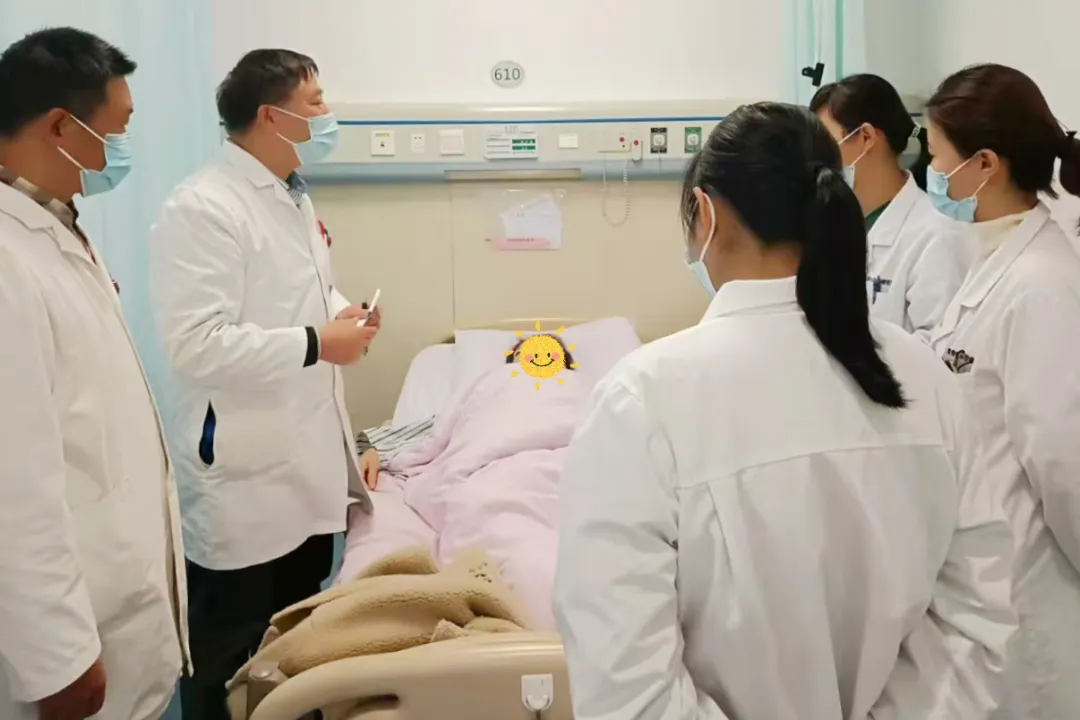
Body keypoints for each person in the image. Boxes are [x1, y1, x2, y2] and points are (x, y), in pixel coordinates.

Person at [553, 102, 1017, 720]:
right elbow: (973, 624)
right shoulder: (925, 379)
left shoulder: (641, 403)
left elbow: (628, 690)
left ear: (706, 215)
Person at [148, 49, 379, 720]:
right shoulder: (203, 207)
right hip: (243, 485)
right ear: (271, 117)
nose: (328, 112)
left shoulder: (290, 193)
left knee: (290, 648)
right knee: (228, 658)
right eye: (315, 101)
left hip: (300, 467)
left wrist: (342, 313)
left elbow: (298, 290)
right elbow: (196, 345)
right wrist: (318, 343)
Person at [0, 28, 187, 720]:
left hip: (118, 609)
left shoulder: (52, 229)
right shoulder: (8, 262)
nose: (122, 145)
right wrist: (59, 661)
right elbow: (13, 486)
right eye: (119, 126)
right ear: (59, 126)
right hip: (71, 656)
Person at [923, 63, 1080, 719]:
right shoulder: (995, 260)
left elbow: (1065, 468)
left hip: (1030, 602)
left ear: (984, 164)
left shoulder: (1041, 285)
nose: (930, 173)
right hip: (985, 589)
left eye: (936, 157)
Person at [810, 74, 971, 338]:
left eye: (825, 143)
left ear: (866, 137)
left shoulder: (936, 235)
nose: (816, 159)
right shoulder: (829, 221)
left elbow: (937, 347)